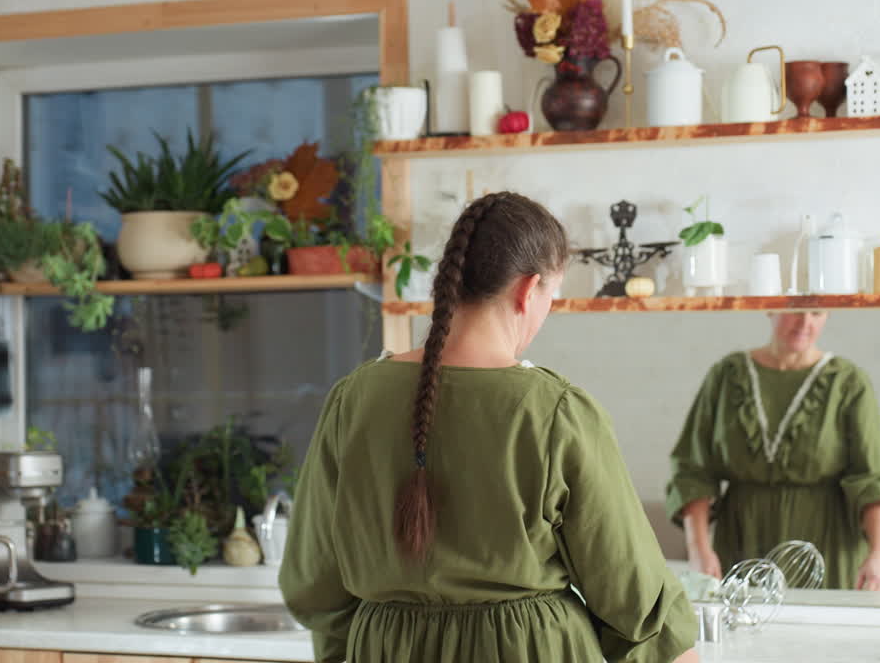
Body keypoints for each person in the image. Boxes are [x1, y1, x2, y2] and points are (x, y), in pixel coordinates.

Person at [280, 192, 698, 663]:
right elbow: (633, 598)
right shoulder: (555, 410)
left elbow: (313, 581)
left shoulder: (351, 400)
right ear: (528, 289)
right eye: (551, 298)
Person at [666, 311, 880, 591]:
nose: (806, 322)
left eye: (817, 312)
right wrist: (699, 552)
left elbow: (873, 479)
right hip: (741, 540)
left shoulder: (848, 381)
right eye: (794, 309)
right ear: (769, 307)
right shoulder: (726, 376)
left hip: (827, 546)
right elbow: (693, 472)